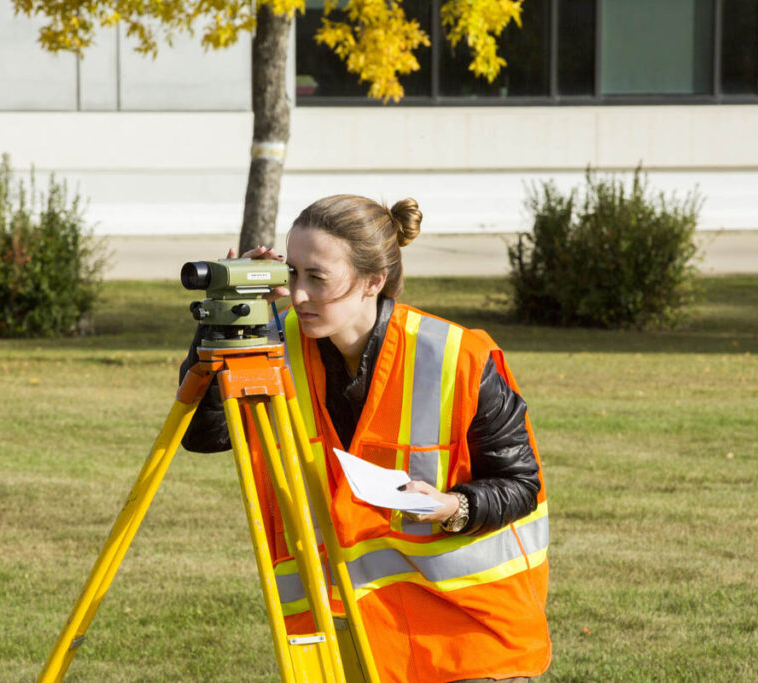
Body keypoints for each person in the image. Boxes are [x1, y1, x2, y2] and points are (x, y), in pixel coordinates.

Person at [180, 195, 550, 683]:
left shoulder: (457, 357)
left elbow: (520, 483)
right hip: (353, 635)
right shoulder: (278, 347)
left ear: (374, 281)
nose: (299, 294)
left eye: (318, 278)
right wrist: (226, 320)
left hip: (469, 638)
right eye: (291, 274)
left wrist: (453, 506)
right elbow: (202, 435)